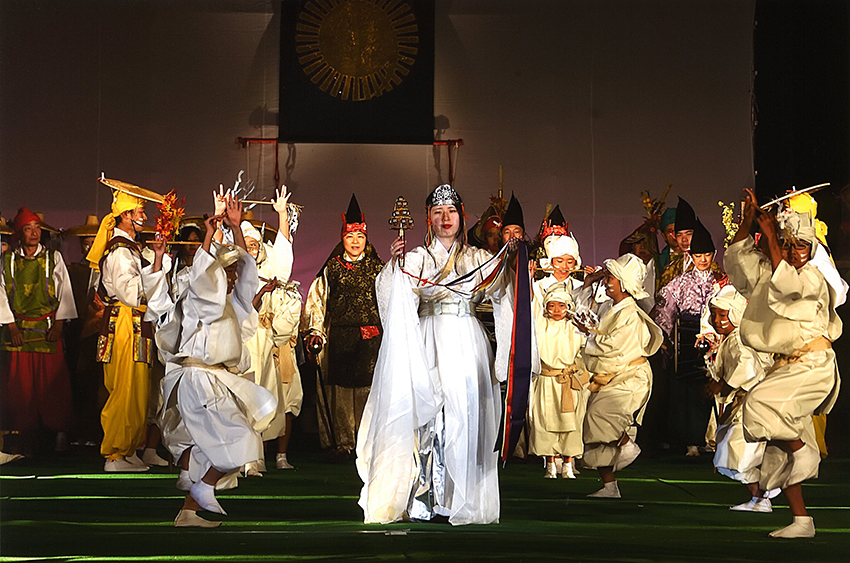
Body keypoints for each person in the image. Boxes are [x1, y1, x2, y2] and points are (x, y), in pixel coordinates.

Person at [357, 184, 513, 525]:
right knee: (428, 417)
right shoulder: (418, 258)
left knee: (465, 413)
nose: (445, 219)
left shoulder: (477, 258)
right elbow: (391, 295)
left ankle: (460, 499)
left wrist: (511, 258)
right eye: (438, 212)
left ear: (462, 216)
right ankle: (424, 499)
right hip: (427, 336)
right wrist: (394, 266)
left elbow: (502, 292)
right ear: (428, 217)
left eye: (451, 212)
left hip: (467, 339)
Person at [725, 188, 842, 538]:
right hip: (788, 367)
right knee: (779, 448)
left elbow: (787, 287)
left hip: (813, 365)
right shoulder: (771, 270)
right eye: (786, 246)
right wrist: (749, 222)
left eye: (799, 246)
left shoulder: (812, 277)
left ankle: (804, 451)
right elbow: (739, 257)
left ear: (812, 248)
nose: (792, 252)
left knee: (760, 404)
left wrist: (773, 237)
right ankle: (802, 521)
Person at [157, 196, 275, 528]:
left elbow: (248, 273)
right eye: (228, 271)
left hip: (215, 379)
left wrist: (236, 228)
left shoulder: (231, 303)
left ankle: (189, 510)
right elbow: (203, 274)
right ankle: (203, 486)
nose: (234, 276)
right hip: (199, 378)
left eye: (234, 270)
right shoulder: (200, 300)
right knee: (244, 439)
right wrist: (210, 236)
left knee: (213, 447)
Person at [86, 178, 171, 472]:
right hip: (124, 324)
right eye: (140, 211)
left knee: (137, 389)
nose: (144, 216)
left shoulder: (132, 248)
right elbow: (132, 293)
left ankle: (129, 448)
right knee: (124, 389)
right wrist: (157, 267)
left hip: (135, 324)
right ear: (126, 215)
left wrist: (157, 259)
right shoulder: (120, 251)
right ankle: (114, 452)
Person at [304, 194, 384, 460]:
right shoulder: (332, 269)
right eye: (350, 237)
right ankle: (343, 442)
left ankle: (367, 441)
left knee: (367, 390)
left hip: (370, 338)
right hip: (340, 336)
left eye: (360, 236)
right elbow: (318, 301)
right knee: (340, 392)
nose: (355, 242)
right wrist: (315, 331)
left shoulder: (377, 268)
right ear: (342, 238)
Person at [578, 253, 663, 499]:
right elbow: (586, 314)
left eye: (610, 278)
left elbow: (614, 347)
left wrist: (588, 337)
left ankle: (627, 444)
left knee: (600, 414)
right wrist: (588, 284)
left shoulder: (630, 315)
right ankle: (609, 485)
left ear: (623, 283)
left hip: (630, 375)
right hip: (611, 373)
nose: (606, 283)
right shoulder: (611, 307)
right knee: (594, 424)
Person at [0, 207, 77, 456]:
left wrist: (59, 325)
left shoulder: (53, 257)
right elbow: (1, 292)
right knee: (20, 385)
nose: (34, 233)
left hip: (47, 329)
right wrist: (11, 325)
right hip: (18, 330)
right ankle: (22, 436)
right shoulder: (8, 260)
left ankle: (57, 434)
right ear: (19, 233)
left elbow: (65, 291)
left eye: (36, 228)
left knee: (53, 383)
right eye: (28, 229)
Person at [652, 219, 725, 456]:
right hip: (686, 339)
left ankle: (711, 438)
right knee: (686, 390)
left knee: (710, 386)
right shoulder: (680, 282)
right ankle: (689, 441)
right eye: (698, 255)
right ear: (691, 256)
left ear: (714, 255)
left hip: (716, 338)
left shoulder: (722, 281)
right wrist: (665, 338)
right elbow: (665, 311)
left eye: (707, 255)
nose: (703, 259)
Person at [705, 285, 775, 512]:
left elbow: (746, 366)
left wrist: (722, 385)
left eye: (722, 315)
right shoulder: (734, 338)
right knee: (735, 452)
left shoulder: (737, 341)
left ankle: (761, 497)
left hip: (751, 404)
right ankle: (760, 496)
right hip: (747, 403)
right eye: (714, 315)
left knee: (735, 451)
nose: (717, 320)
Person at [529, 282, 588, 479]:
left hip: (568, 382)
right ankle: (550, 464)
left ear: (568, 307)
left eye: (561, 305)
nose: (556, 310)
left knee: (570, 422)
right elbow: (533, 305)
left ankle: (568, 464)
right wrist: (529, 278)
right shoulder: (542, 325)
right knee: (545, 422)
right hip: (547, 381)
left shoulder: (573, 327)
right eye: (552, 305)